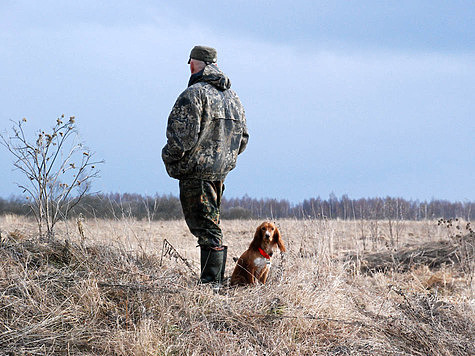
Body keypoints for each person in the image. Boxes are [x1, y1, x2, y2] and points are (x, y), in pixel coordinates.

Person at [162, 45, 249, 285]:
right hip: (219, 173)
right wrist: (224, 160)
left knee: (207, 229)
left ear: (193, 63)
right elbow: (243, 138)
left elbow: (181, 138)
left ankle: (212, 286)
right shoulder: (233, 97)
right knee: (211, 224)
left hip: (196, 172)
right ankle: (214, 284)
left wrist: (169, 157)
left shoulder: (193, 94)